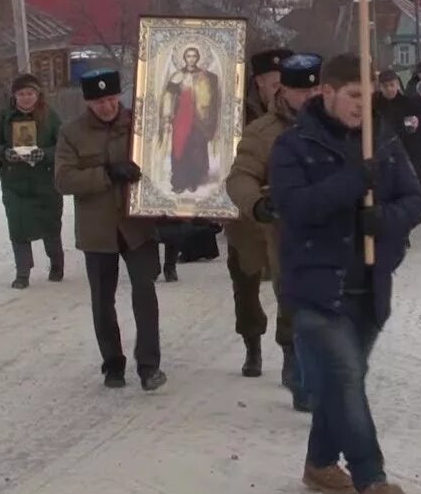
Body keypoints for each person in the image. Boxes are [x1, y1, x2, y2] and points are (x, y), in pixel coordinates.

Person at [270, 52, 421, 494]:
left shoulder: (383, 141)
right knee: (344, 379)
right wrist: (353, 180)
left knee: (343, 384)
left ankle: (319, 463)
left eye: (370, 94)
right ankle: (371, 480)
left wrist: (387, 219)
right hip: (317, 289)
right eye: (355, 94)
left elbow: (415, 200)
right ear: (327, 92)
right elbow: (295, 209)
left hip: (370, 287)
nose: (364, 103)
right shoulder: (293, 146)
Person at [55, 69, 166, 392]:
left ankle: (149, 365)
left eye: (111, 99)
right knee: (103, 300)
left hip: (137, 226)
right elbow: (63, 180)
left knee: (145, 295)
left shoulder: (141, 125)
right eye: (99, 101)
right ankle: (112, 363)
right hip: (98, 230)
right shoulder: (72, 133)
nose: (106, 106)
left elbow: (164, 161)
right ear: (89, 102)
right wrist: (106, 173)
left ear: (120, 96)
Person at [226, 53, 324, 411]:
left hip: (334, 231)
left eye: (316, 91)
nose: (310, 99)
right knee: (295, 302)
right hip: (287, 233)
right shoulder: (262, 133)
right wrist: (257, 204)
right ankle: (297, 367)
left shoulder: (344, 124)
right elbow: (240, 177)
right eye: (302, 92)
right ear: (284, 90)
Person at [223, 48, 291, 380]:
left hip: (285, 217)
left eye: (285, 82)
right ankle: (252, 343)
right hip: (244, 214)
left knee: (288, 284)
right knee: (245, 282)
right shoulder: (233, 113)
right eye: (275, 81)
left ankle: (290, 352)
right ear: (259, 82)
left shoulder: (299, 112)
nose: (280, 88)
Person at [0, 73, 64, 290]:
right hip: (15, 183)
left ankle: (57, 265)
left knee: (50, 227)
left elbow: (64, 146)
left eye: (30, 93)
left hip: (45, 182)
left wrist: (45, 154)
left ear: (38, 95)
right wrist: (4, 153)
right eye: (21, 94)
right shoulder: (5, 117)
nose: (26, 98)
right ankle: (23, 273)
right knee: (18, 229)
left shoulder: (50, 116)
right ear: (14, 96)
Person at [161, 46, 221, 192]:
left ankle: (194, 180)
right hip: (181, 118)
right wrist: (168, 117)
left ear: (198, 58)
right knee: (180, 148)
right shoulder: (177, 76)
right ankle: (179, 182)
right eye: (188, 56)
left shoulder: (206, 76)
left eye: (194, 56)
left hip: (199, 119)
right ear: (184, 58)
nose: (191, 59)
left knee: (196, 148)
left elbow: (212, 101)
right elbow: (168, 96)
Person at [374, 69, 421, 187]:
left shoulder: (409, 104)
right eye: (385, 86)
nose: (389, 89)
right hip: (383, 155)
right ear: (380, 87)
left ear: (397, 85)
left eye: (392, 85)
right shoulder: (375, 105)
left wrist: (417, 123)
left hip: (407, 153)